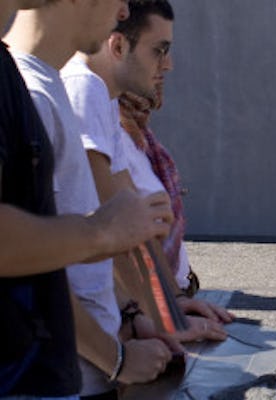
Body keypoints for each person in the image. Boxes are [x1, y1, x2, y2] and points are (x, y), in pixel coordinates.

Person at [1, 0, 175, 398]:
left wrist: (129, 315)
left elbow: (54, 251)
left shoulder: (43, 83)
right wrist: (116, 358)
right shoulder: (35, 91)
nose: (123, 12)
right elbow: (28, 259)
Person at [63, 0, 232, 350]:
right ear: (118, 46)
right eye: (160, 50)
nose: (167, 65)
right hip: (93, 341)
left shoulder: (102, 94)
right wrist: (162, 321)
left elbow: (135, 229)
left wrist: (170, 306)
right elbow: (120, 228)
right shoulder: (84, 87)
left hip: (111, 328)